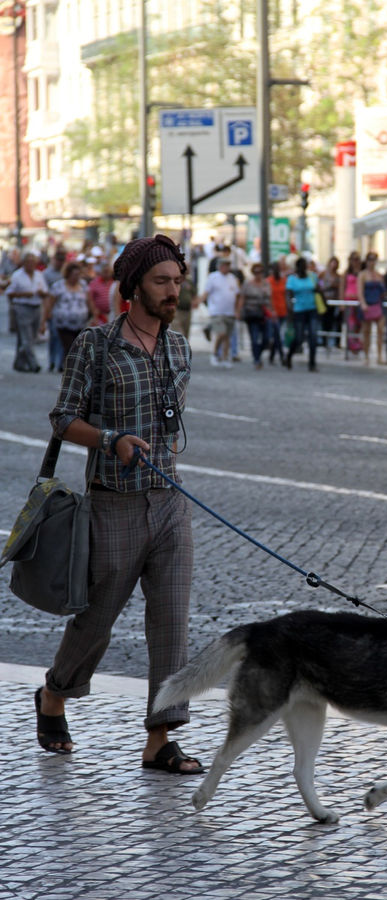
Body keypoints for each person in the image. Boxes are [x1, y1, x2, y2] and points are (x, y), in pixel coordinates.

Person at [35, 233, 203, 775]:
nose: (173, 290)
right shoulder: (96, 345)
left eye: (177, 280)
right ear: (133, 288)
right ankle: (55, 694)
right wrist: (112, 440)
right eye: (162, 281)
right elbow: (63, 419)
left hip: (170, 500)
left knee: (172, 621)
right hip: (115, 503)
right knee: (98, 620)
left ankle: (160, 739)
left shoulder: (179, 347)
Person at [6, 251, 49, 373]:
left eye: (33, 262)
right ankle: (33, 364)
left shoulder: (39, 275)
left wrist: (41, 293)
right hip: (23, 307)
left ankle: (19, 363)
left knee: (30, 338)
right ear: (24, 263)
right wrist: (24, 294)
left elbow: (46, 292)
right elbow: (9, 293)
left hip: (36, 307)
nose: (31, 264)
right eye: (28, 262)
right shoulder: (17, 275)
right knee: (27, 338)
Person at [40, 260, 90, 361]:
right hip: (63, 323)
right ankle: (63, 366)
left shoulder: (83, 285)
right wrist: (43, 322)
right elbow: (50, 304)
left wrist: (94, 315)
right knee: (69, 346)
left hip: (80, 323)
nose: (76, 277)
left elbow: (89, 301)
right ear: (68, 274)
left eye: (78, 274)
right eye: (74, 274)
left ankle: (66, 365)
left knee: (78, 346)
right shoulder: (58, 286)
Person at [200, 257, 239, 368]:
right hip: (217, 311)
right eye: (224, 265)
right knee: (221, 333)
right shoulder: (213, 277)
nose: (226, 267)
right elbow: (206, 292)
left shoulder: (232, 278)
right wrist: (199, 301)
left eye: (228, 265)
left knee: (227, 336)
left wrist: (237, 310)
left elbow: (237, 294)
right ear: (220, 266)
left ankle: (225, 358)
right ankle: (214, 354)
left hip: (229, 312)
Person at [285, 256, 320, 372]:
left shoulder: (312, 276)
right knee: (299, 337)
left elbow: (318, 290)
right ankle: (289, 356)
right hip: (299, 310)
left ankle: (312, 363)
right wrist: (290, 309)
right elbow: (288, 295)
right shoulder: (292, 279)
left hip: (312, 309)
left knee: (313, 336)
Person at [238, 262, 272, 369]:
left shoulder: (266, 284)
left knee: (267, 338)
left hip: (264, 313)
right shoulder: (247, 284)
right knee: (254, 337)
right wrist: (239, 311)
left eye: (260, 272)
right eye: (256, 272)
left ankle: (258, 353)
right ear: (253, 273)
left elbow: (269, 299)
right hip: (251, 313)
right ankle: (256, 359)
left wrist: (273, 311)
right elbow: (242, 298)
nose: (258, 274)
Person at [358, 251, 387, 365]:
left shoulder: (379, 275)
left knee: (380, 331)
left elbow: (383, 291)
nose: (372, 262)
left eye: (374, 259)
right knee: (366, 332)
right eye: (370, 259)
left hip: (378, 305)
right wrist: (363, 303)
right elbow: (360, 291)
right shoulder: (363, 275)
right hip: (368, 305)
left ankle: (380, 355)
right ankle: (366, 356)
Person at [43, 247, 68, 371]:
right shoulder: (47, 274)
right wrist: (47, 311)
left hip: (63, 311)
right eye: (58, 260)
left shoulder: (65, 273)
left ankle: (59, 362)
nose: (60, 263)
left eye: (62, 260)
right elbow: (46, 295)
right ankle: (52, 361)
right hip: (52, 309)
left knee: (60, 338)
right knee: (53, 337)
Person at [341, 251, 362, 355]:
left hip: (359, 301)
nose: (355, 262)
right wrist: (341, 303)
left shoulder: (362, 272)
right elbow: (342, 287)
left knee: (359, 324)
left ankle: (357, 343)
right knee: (351, 324)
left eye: (357, 259)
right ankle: (352, 345)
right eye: (353, 259)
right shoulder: (346, 272)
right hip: (349, 301)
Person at [267, 260, 287, 364]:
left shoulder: (283, 280)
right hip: (273, 312)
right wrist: (271, 310)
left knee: (278, 334)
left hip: (283, 310)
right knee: (278, 334)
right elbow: (268, 297)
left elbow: (286, 295)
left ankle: (272, 355)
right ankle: (282, 355)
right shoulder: (268, 281)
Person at [319, 256, 341, 347]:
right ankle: (324, 341)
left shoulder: (338, 276)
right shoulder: (323, 274)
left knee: (335, 322)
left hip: (335, 301)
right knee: (325, 322)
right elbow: (320, 285)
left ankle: (336, 342)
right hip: (325, 301)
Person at [172, 270, 197, 340]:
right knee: (179, 333)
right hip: (177, 310)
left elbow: (194, 294)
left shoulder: (189, 281)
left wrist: (195, 302)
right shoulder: (175, 281)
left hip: (187, 310)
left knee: (186, 333)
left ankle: (184, 349)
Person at [87, 261, 114, 326]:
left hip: (112, 314)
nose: (106, 273)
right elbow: (90, 299)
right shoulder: (94, 283)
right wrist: (94, 311)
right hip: (99, 315)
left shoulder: (114, 282)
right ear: (101, 272)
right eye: (105, 271)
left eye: (108, 271)